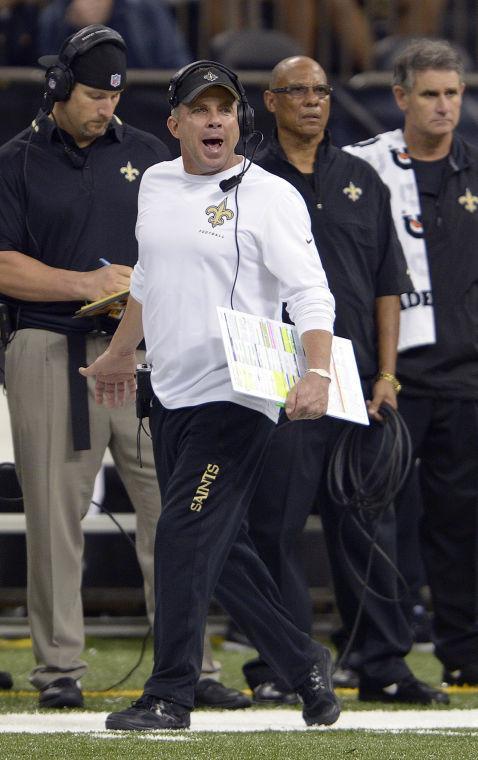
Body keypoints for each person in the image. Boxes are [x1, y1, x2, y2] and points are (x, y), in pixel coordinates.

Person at [80, 59, 341, 731]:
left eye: (224, 108)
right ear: (176, 124)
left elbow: (310, 293)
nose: (214, 118)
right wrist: (119, 352)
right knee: (218, 550)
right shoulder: (159, 185)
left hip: (239, 396)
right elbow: (147, 282)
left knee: (182, 537)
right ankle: (304, 662)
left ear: (240, 121)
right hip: (169, 395)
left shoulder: (272, 197)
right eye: (199, 109)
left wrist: (317, 373)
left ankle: (171, 694)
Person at [0, 26, 245, 711]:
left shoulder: (150, 158)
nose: (105, 109)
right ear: (56, 91)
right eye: (90, 96)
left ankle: (188, 664)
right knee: (55, 519)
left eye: (113, 97)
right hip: (51, 351)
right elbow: (3, 264)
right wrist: (89, 283)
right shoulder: (15, 163)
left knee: (174, 512)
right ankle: (60, 672)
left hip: (148, 356)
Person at [241, 55, 449, 706]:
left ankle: (381, 662)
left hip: (355, 376)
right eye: (297, 92)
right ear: (271, 102)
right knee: (275, 525)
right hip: (278, 371)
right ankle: (284, 665)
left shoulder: (361, 178)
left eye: (321, 92)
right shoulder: (245, 181)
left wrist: (387, 373)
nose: (312, 102)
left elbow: (390, 284)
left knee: (367, 522)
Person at [344, 38, 478, 688]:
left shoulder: (476, 172)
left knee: (461, 524)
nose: (444, 106)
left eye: (453, 93)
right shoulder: (364, 171)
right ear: (400, 98)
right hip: (388, 378)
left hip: (464, 379)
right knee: (378, 520)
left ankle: (465, 650)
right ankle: (379, 652)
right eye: (430, 93)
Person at [38, 0, 191, 69]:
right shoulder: (55, 15)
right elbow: (42, 75)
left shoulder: (147, 10)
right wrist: (72, 28)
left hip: (141, 109)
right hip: (77, 112)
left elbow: (176, 67)